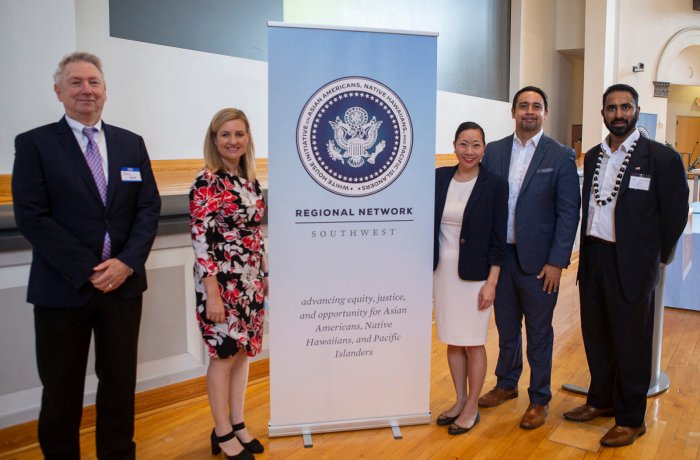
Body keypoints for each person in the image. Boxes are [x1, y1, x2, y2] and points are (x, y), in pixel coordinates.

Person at [11, 51, 161, 459]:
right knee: (61, 391)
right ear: (59, 91)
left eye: (93, 82)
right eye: (75, 82)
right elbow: (32, 217)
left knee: (119, 384)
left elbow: (148, 207)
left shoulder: (132, 144)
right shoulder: (34, 144)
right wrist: (90, 269)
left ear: (105, 91)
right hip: (63, 289)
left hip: (124, 287)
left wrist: (126, 262)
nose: (86, 90)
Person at [564, 84, 688, 447]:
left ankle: (632, 419)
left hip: (633, 263)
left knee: (631, 342)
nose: (619, 114)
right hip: (594, 259)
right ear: (603, 113)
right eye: (612, 108)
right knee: (597, 336)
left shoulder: (661, 158)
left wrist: (653, 255)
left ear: (636, 110)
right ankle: (600, 400)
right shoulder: (592, 155)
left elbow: (675, 215)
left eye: (625, 107)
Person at [477, 86, 581, 429]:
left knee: (539, 333)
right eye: (523, 106)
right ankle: (507, 383)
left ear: (545, 113)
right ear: (513, 112)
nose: (530, 111)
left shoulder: (560, 154)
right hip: (500, 259)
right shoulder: (493, 152)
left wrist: (556, 261)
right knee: (506, 328)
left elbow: (569, 213)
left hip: (539, 263)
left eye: (536, 106)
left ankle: (539, 399)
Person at [190, 108, 268, 460]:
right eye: (225, 135)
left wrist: (263, 272)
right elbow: (200, 239)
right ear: (214, 139)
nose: (233, 141)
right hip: (220, 284)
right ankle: (221, 432)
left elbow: (253, 232)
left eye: (239, 134)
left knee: (241, 354)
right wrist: (212, 291)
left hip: (250, 283)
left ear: (247, 138)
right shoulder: (207, 181)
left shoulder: (249, 179)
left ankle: (236, 422)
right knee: (222, 356)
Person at [433, 122, 508, 435]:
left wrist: (492, 281)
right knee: (453, 340)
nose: (469, 151)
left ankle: (473, 406)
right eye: (464, 144)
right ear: (454, 146)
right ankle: (460, 400)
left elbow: (498, 238)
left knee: (474, 343)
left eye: (476, 145)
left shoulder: (494, 184)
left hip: (476, 276)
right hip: (443, 273)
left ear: (484, 149)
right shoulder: (439, 177)